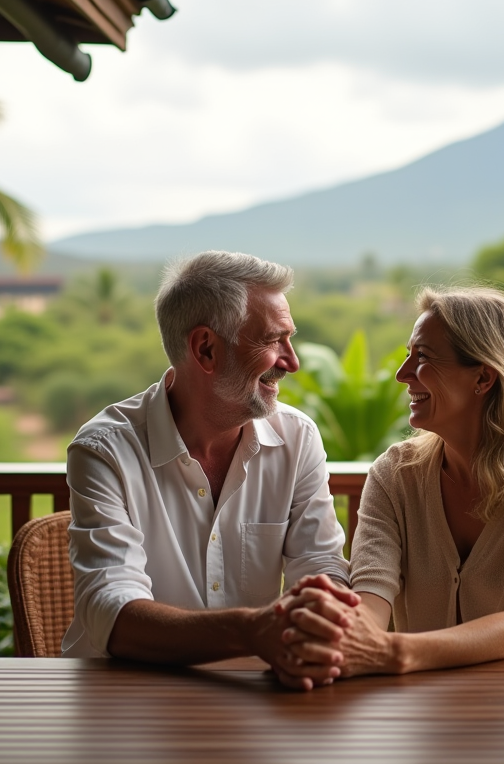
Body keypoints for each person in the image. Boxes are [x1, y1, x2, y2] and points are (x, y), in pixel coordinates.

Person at [62, 250, 356, 690]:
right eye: (273, 340)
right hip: (125, 698)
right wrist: (251, 631)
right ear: (205, 349)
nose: (291, 361)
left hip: (251, 694)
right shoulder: (105, 449)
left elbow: (321, 563)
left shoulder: (297, 438)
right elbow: (111, 610)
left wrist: (322, 614)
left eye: (289, 338)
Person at [278, 285, 504, 677]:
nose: (401, 374)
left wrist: (391, 653)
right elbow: (370, 603)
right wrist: (332, 640)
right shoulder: (394, 476)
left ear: (483, 378)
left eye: (422, 357)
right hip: (430, 716)